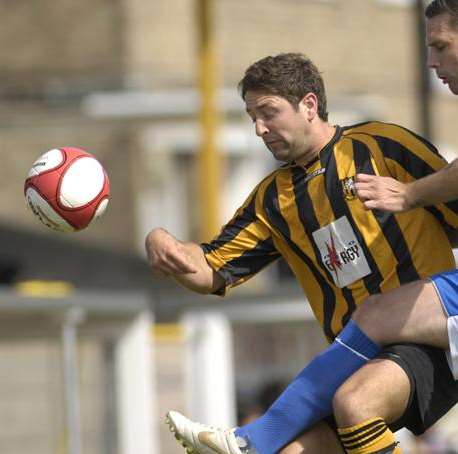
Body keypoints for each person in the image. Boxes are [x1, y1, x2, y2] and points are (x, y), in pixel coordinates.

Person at [147, 30, 458, 454]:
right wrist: (163, 242)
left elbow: (452, 199)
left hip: (429, 337)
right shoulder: (272, 199)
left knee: (356, 403)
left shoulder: (383, 146)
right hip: (351, 356)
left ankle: (252, 439)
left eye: (269, 112)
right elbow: (212, 268)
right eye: (252, 115)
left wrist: (409, 196)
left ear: (309, 105)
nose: (259, 128)